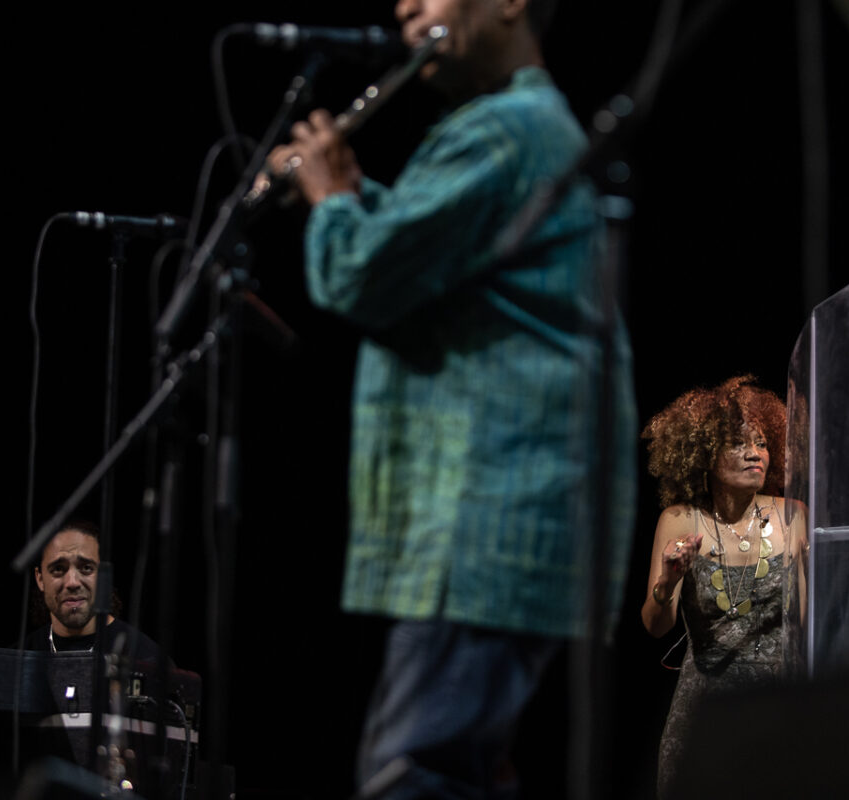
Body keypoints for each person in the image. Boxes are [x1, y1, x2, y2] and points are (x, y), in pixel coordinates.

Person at [263, 0, 637, 796]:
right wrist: (356, 200)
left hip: (488, 521)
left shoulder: (502, 130)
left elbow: (360, 276)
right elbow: (422, 263)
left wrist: (330, 196)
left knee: (411, 777)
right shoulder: (527, 132)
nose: (403, 7)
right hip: (512, 525)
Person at [640, 375, 805, 800]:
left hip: (778, 703)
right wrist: (668, 581)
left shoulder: (793, 516)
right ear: (704, 454)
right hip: (703, 710)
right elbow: (656, 625)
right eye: (739, 443)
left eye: (764, 442)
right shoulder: (681, 519)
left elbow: (808, 622)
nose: (756, 453)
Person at [23, 521, 162, 665]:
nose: (72, 582)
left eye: (86, 568)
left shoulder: (147, 659)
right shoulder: (18, 660)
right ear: (40, 579)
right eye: (58, 569)